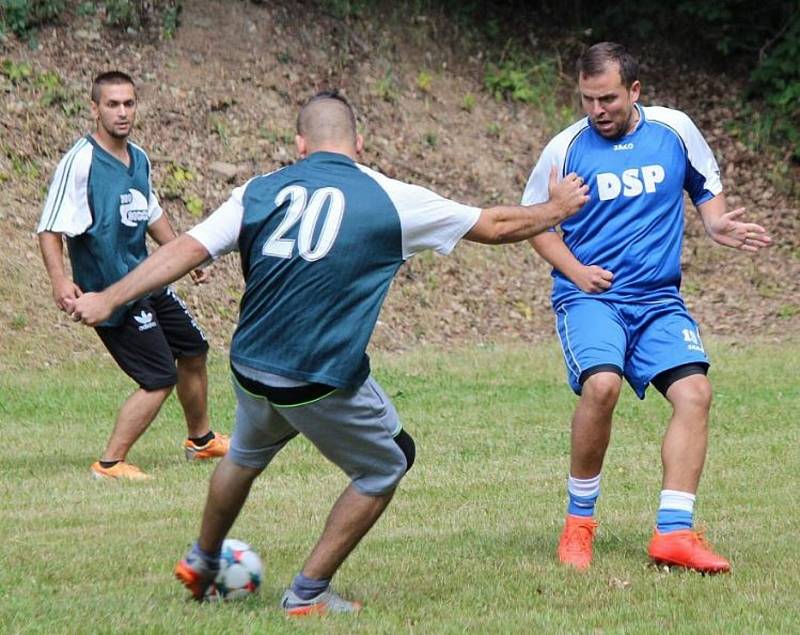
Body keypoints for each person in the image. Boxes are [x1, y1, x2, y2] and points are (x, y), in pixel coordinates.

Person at [66, 90, 589, 614]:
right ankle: (308, 594)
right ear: (359, 144)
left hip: (250, 366)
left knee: (245, 456)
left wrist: (109, 296)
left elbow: (184, 249)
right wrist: (555, 209)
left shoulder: (257, 191)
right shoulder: (390, 197)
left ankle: (202, 560)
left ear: (299, 145)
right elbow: (493, 225)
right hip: (315, 378)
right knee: (387, 465)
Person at [522, 42, 771, 573]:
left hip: (658, 300)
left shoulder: (674, 130)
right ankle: (578, 526)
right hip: (591, 298)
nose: (597, 110)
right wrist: (576, 270)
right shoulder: (565, 148)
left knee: (695, 393)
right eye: (587, 99)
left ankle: (674, 534)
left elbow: (705, 185)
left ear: (634, 91)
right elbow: (535, 223)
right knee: (602, 385)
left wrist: (717, 223)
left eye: (607, 98)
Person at [37, 71, 229, 481]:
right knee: (159, 376)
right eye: (112, 104)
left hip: (148, 282)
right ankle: (110, 463)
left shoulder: (138, 157)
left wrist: (182, 256)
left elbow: (150, 211)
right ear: (94, 109)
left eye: (128, 104)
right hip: (110, 294)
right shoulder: (81, 163)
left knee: (194, 350)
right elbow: (49, 229)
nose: (122, 112)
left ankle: (201, 440)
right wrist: (59, 280)